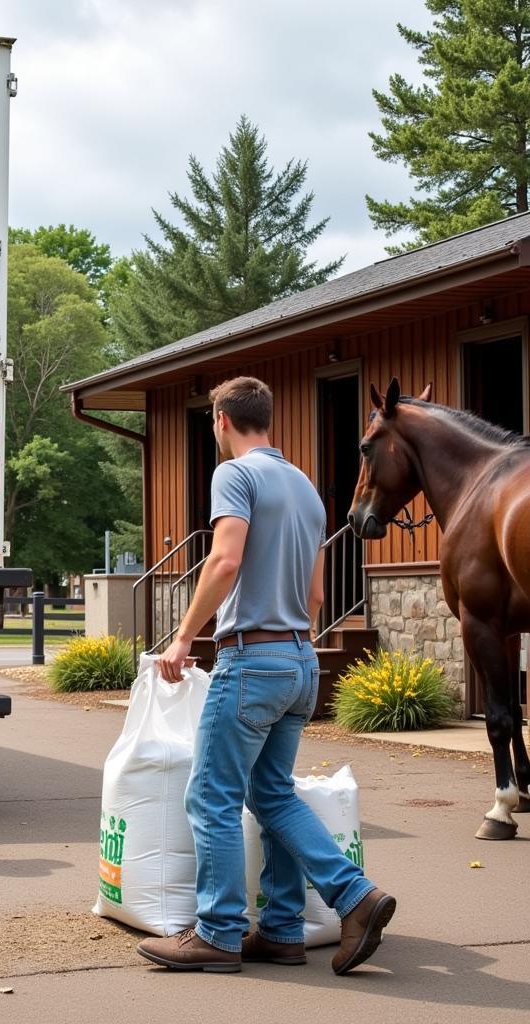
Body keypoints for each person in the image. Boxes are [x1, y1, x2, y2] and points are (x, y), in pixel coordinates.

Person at [136, 377, 395, 976]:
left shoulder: (235, 475)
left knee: (212, 796)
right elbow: (318, 595)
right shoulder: (306, 487)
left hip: (252, 662)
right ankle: (282, 929)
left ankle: (220, 933)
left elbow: (225, 559)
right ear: (266, 419)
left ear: (222, 420)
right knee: (272, 793)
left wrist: (182, 638)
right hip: (301, 660)